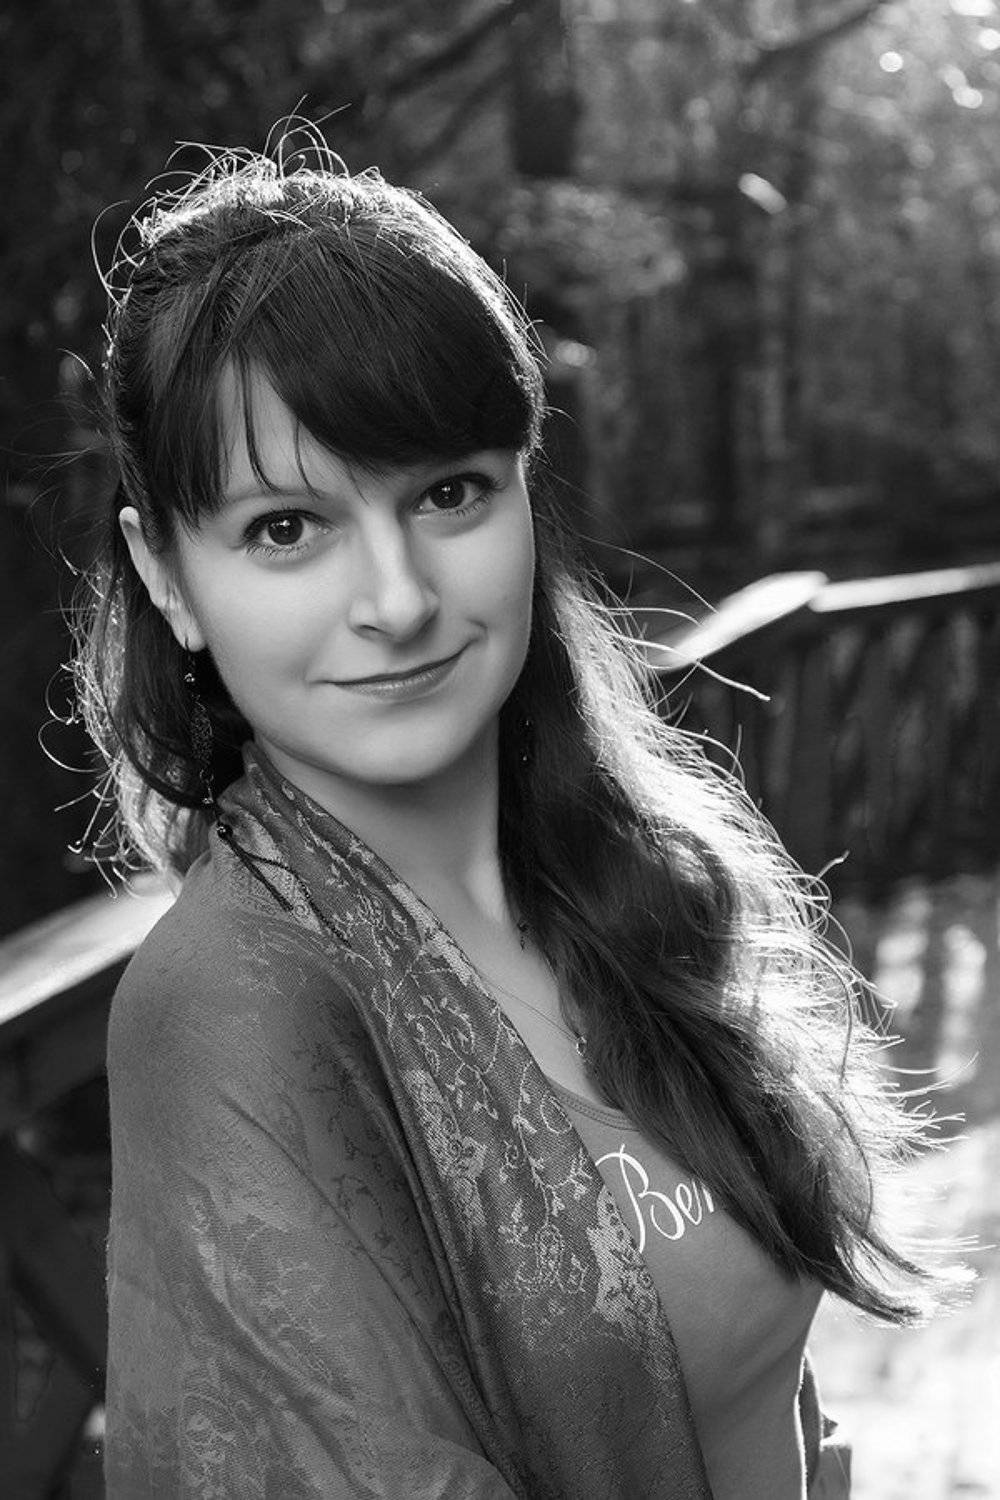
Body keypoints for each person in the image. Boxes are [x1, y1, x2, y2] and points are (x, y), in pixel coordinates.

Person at [75, 132, 948, 1500]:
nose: (399, 598)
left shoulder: (618, 878)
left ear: (525, 494)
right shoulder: (233, 1002)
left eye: (449, 493)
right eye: (286, 528)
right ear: (168, 576)